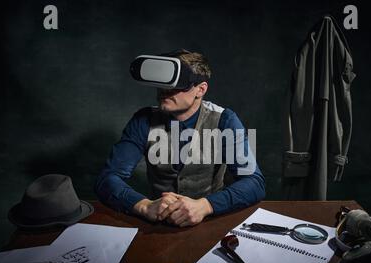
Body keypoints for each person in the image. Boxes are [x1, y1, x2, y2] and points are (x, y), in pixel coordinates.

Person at [95, 49, 265, 227]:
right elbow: (107, 178)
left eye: (177, 85)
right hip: (158, 222)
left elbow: (254, 182)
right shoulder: (143, 120)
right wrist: (144, 206)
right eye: (163, 82)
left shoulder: (225, 120)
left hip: (209, 221)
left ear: (200, 89)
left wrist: (206, 206)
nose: (165, 90)